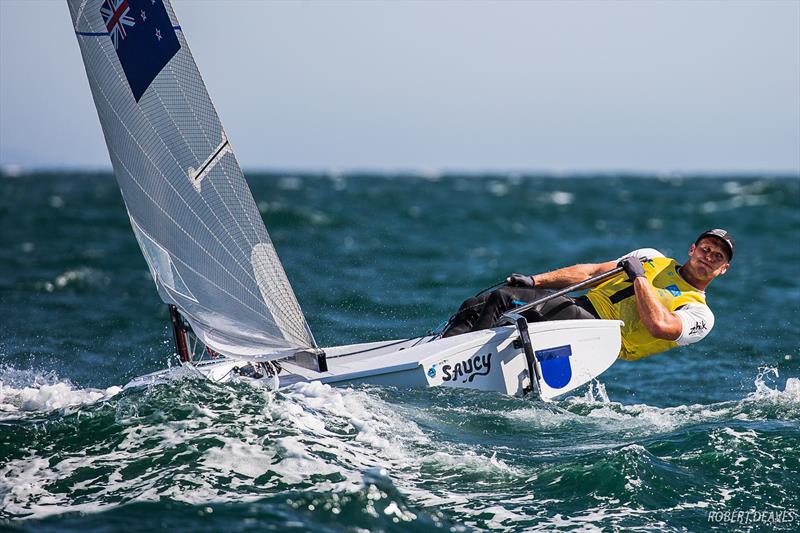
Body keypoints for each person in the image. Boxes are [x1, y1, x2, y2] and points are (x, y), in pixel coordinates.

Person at [441, 229, 734, 361]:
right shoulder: (649, 256)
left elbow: (660, 326)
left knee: (505, 299)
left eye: (718, 256)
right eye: (705, 249)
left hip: (604, 335)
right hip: (579, 307)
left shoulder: (700, 314)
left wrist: (639, 279)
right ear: (691, 250)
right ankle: (439, 351)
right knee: (474, 305)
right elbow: (592, 272)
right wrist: (535, 280)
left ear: (723, 270)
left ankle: (461, 362)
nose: (709, 257)